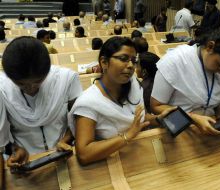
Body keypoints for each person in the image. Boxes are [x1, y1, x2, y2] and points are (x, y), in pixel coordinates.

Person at [69, 36, 174, 165]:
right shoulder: (88, 103)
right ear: (104, 62)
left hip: (139, 155)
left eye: (134, 61)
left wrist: (158, 119)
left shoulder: (133, 84)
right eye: (123, 59)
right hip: (111, 165)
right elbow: (84, 154)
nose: (130, 66)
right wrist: (127, 136)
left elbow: (138, 119)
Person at [150, 27, 220, 135]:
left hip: (207, 129)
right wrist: (192, 117)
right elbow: (156, 106)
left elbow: (208, 93)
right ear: (210, 47)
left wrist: (218, 110)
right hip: (178, 131)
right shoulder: (175, 61)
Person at [0, 36, 83, 170]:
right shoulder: (2, 89)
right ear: (9, 77)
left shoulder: (66, 79)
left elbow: (80, 119)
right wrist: (15, 149)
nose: (30, 88)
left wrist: (66, 140)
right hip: (28, 162)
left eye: (38, 81)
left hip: (62, 154)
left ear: (47, 71)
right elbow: (2, 137)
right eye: (21, 84)